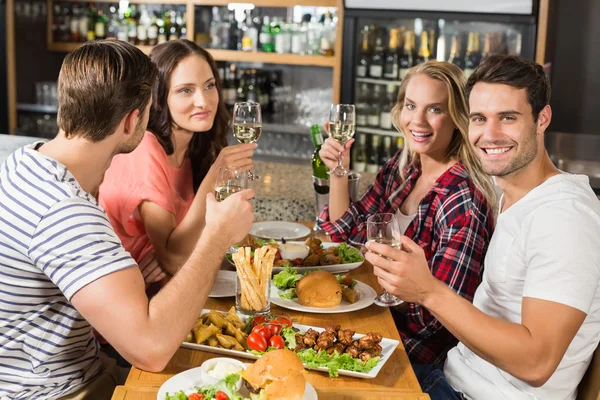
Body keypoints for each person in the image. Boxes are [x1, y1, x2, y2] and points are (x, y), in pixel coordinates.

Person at [0, 40, 254, 400]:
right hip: (65, 392)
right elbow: (152, 350)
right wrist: (218, 236)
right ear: (133, 119)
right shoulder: (66, 213)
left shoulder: (25, 162)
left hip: (83, 370)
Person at [366, 55, 600, 400]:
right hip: (449, 377)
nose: (489, 135)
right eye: (479, 118)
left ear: (542, 119)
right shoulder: (511, 194)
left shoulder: (564, 217)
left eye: (508, 118)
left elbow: (536, 363)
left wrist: (427, 290)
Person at [318, 61, 496, 365]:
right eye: (411, 106)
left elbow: (433, 321)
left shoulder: (462, 200)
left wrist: (380, 288)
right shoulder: (404, 168)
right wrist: (338, 171)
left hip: (411, 357)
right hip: (373, 321)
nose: (418, 121)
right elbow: (344, 236)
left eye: (435, 109)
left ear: (458, 118)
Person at [99, 40, 255, 292]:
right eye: (185, 90)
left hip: (171, 292)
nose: (203, 101)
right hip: (129, 305)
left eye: (209, 86)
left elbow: (197, 247)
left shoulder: (196, 149)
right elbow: (174, 259)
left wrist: (180, 253)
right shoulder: (144, 148)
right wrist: (216, 177)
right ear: (158, 97)